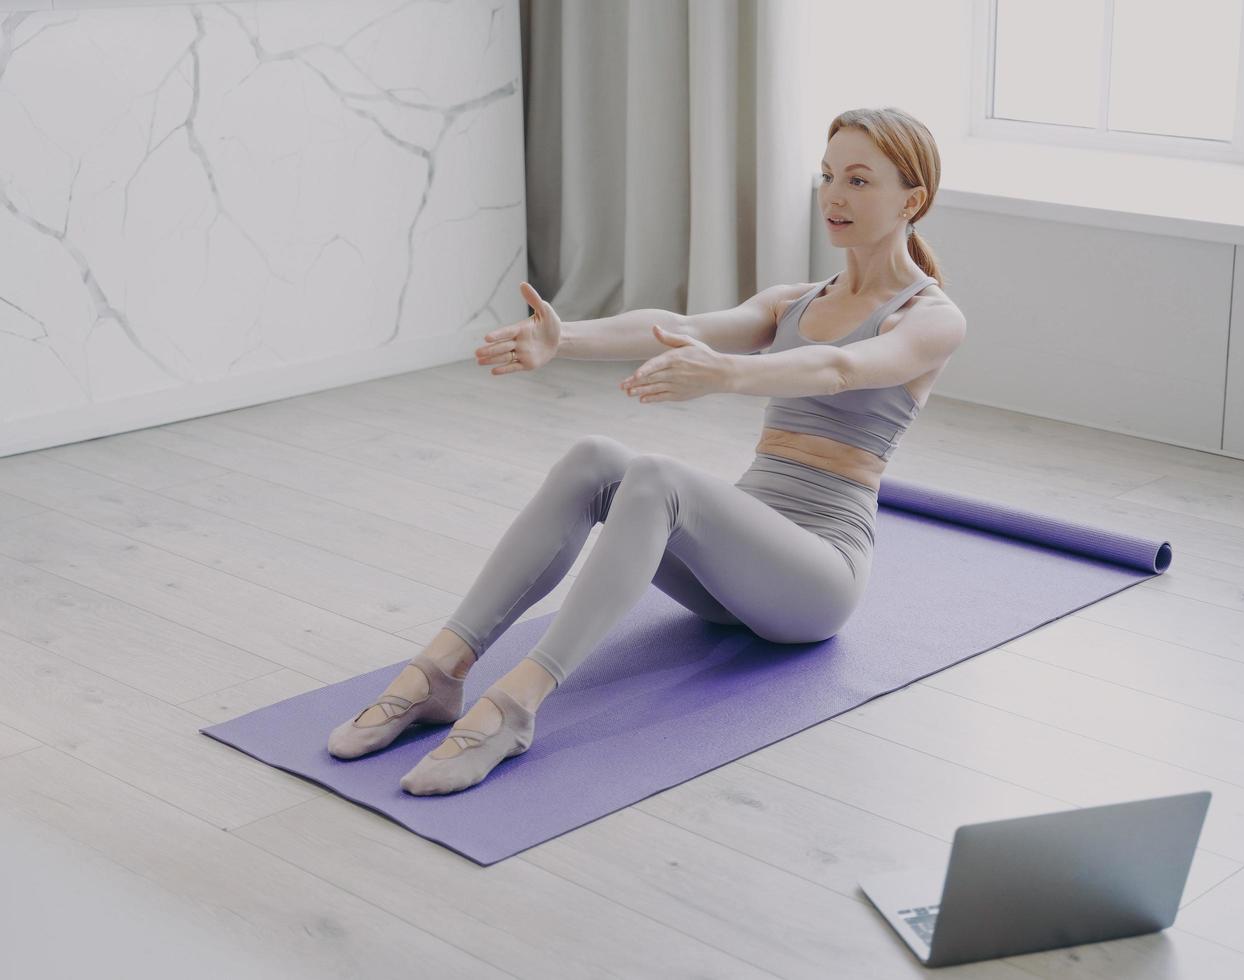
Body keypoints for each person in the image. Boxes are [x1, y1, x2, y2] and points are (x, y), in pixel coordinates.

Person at [328, 107, 968, 795]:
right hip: (735, 570)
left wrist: (728, 374)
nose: (834, 196)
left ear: (913, 199)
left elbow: (838, 370)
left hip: (816, 580)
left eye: (859, 180)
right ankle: (441, 670)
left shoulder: (930, 318)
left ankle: (517, 705)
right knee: (595, 458)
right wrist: (562, 338)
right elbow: (677, 326)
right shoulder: (796, 301)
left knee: (661, 477)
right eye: (827, 175)